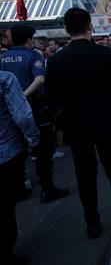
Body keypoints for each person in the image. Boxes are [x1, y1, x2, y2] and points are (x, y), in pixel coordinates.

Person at [45, 8, 111, 248]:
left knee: (85, 176)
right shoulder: (104, 55)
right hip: (107, 123)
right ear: (90, 26)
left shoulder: (55, 60)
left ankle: (92, 222)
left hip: (76, 127)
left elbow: (52, 99)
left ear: (66, 29)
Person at [0, 25, 68, 203]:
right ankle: (48, 189)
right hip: (34, 109)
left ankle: (21, 187)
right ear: (29, 39)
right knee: (43, 152)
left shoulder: (4, 57)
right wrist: (22, 96)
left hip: (9, 113)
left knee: (19, 151)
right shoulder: (33, 56)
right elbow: (40, 79)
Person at [0, 71, 39, 265]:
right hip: (6, 154)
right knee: (6, 206)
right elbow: (23, 116)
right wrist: (33, 138)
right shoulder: (4, 79)